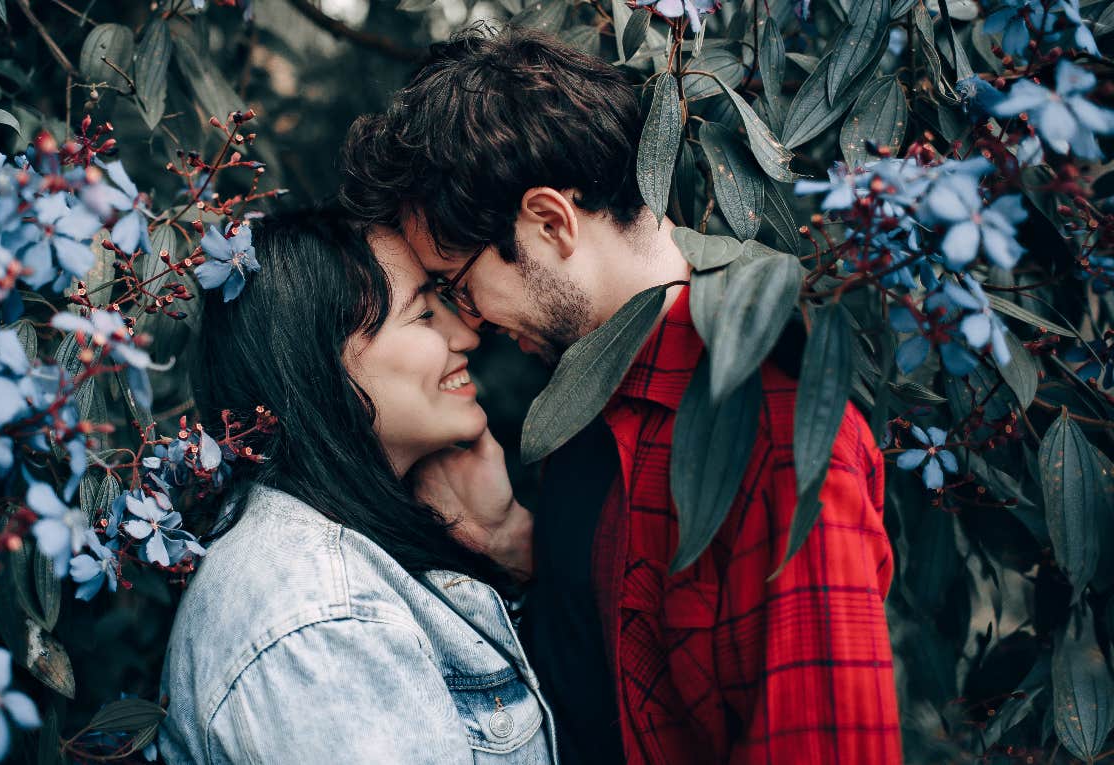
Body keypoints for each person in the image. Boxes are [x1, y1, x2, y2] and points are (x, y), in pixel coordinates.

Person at [341, 25, 903, 765]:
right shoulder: (584, 403)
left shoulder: (777, 435)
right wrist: (514, 542)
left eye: (458, 284)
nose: (467, 323)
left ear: (549, 221)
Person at [157, 210, 556, 764]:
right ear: (320, 362)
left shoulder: (349, 555)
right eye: (422, 315)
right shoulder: (320, 622)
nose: (467, 333)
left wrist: (502, 540)